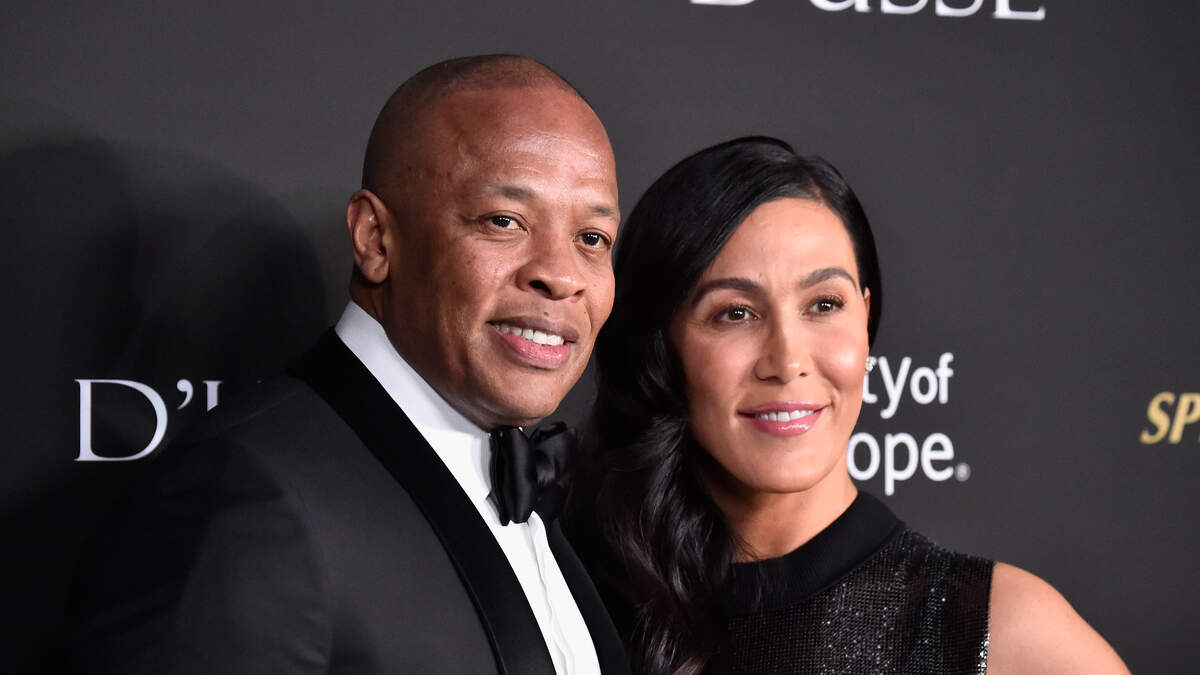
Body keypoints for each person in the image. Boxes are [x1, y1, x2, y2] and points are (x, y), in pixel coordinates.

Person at [66, 55, 629, 675]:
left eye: (592, 239)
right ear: (375, 239)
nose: (562, 275)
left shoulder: (543, 494)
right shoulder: (245, 501)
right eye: (504, 221)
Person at [569, 137, 1128, 674]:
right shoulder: (566, 598)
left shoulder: (1001, 630)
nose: (788, 360)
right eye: (735, 313)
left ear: (865, 318)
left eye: (824, 304)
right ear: (660, 348)